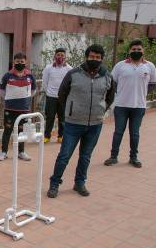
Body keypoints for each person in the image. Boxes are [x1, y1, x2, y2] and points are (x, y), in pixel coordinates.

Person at [47, 44, 115, 198]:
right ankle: (54, 183)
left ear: (102, 59)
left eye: (98, 57)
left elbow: (110, 96)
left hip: (95, 125)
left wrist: (101, 110)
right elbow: (62, 94)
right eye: (92, 57)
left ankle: (79, 183)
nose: (94, 60)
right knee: (64, 155)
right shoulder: (73, 74)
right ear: (86, 57)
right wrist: (71, 110)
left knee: (85, 156)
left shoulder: (107, 76)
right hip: (73, 124)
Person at [104, 39, 156, 168]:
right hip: (121, 105)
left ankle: (133, 157)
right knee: (118, 132)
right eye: (134, 49)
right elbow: (112, 83)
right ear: (129, 51)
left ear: (143, 50)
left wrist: (142, 92)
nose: (136, 51)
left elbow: (153, 84)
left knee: (134, 133)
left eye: (139, 49)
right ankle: (113, 156)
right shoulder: (120, 65)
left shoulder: (149, 66)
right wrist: (121, 92)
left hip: (139, 106)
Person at [0, 53, 36, 162]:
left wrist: (24, 100)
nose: (20, 63)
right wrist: (11, 99)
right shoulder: (7, 76)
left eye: (22, 62)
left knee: (21, 132)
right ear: (14, 62)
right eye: (17, 62)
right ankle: (3, 152)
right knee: (7, 131)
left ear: (25, 62)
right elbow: (1, 91)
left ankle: (21, 152)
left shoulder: (30, 76)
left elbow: (33, 91)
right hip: (10, 109)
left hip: (24, 110)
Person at [41, 48, 72, 143]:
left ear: (65, 57)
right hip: (51, 97)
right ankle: (47, 136)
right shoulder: (48, 68)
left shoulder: (69, 69)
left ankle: (61, 136)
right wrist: (49, 92)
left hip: (63, 97)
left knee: (62, 118)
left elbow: (70, 83)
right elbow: (44, 82)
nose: (60, 57)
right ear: (55, 56)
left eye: (62, 55)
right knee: (50, 117)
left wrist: (66, 94)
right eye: (58, 55)